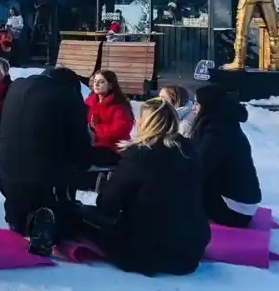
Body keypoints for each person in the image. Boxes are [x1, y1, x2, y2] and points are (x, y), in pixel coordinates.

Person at [75, 98, 211, 276]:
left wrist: (106, 188)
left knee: (81, 215)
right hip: (191, 249)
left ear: (148, 123)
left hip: (149, 252)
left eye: (140, 118)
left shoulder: (140, 155)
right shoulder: (189, 151)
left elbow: (109, 205)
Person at [0, 67, 93, 256]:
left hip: (7, 180)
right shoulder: (68, 96)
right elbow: (81, 154)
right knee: (73, 216)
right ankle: (48, 217)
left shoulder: (15, 88)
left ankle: (19, 217)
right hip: (45, 185)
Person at [190, 84, 262, 228]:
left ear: (208, 105)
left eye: (197, 103)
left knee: (182, 188)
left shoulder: (219, 131)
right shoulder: (222, 123)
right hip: (238, 202)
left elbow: (200, 166)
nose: (193, 108)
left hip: (235, 211)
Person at [85, 71, 134, 167]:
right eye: (95, 81)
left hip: (113, 149)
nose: (97, 84)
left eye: (101, 82)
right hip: (90, 144)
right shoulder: (88, 102)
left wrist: (95, 131)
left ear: (111, 85)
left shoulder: (120, 106)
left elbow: (119, 130)